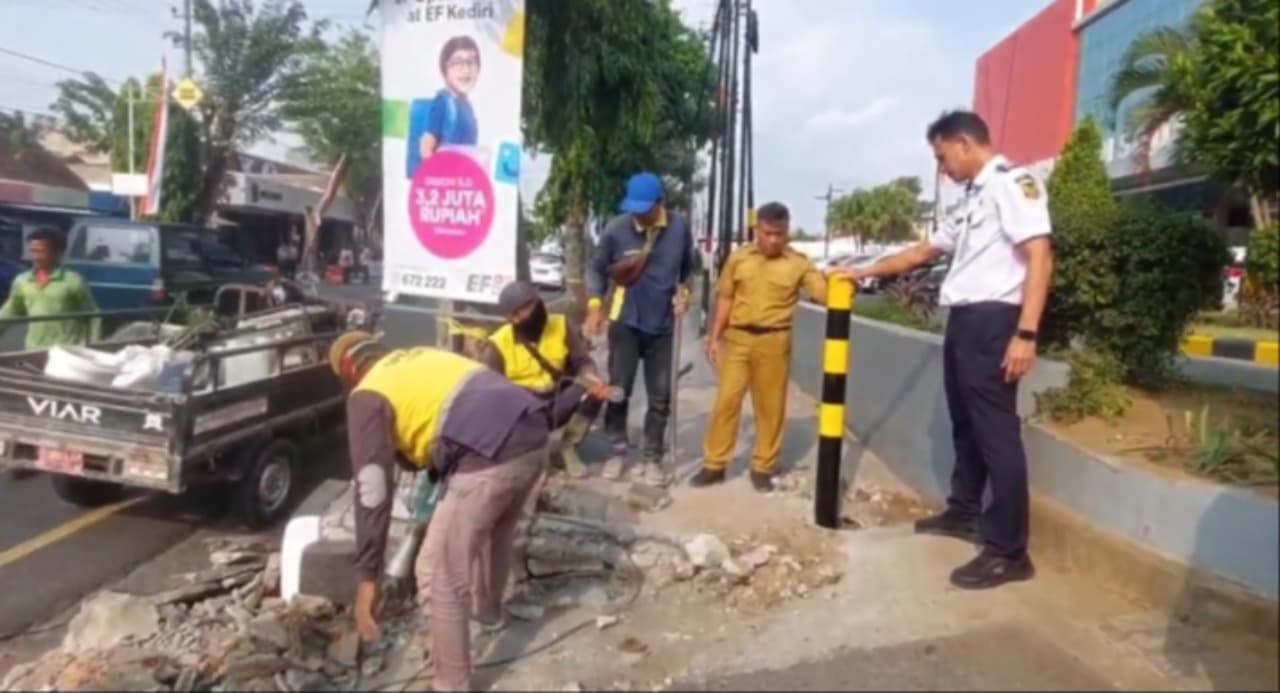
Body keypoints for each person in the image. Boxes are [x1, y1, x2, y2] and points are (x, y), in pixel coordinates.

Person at [829, 110, 1054, 590]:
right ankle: (965, 511)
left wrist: (1026, 334)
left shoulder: (1015, 184)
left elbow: (1040, 255)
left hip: (996, 321)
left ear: (964, 143)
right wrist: (862, 271)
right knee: (966, 424)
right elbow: (925, 251)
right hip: (966, 322)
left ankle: (1009, 551)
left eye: (942, 156)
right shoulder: (973, 197)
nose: (941, 167)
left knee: (996, 433)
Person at [331, 332, 583, 692]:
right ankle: (488, 613)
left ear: (349, 372)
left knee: (437, 570)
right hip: (534, 436)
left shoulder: (367, 394)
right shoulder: (419, 355)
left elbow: (371, 489)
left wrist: (367, 578)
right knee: (494, 533)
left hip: (489, 455)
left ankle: (452, 684)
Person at [691, 202, 827, 492]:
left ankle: (763, 466)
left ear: (787, 232)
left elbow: (823, 293)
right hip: (737, 339)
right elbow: (725, 299)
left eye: (779, 234)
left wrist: (838, 284)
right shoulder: (739, 259)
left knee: (770, 406)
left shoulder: (799, 264)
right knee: (726, 401)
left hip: (774, 341)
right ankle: (714, 464)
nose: (774, 240)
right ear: (757, 230)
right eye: (768, 233)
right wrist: (714, 337)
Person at [585, 172, 694, 486]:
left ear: (660, 204)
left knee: (660, 397)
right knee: (619, 391)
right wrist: (595, 305)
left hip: (662, 326)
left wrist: (684, 294)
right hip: (625, 323)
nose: (637, 215)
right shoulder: (617, 230)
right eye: (633, 208)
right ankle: (617, 451)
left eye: (644, 209)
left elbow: (687, 270)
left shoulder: (678, 229)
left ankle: (652, 458)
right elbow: (596, 267)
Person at [478, 281, 612, 477]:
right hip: (524, 408)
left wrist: (590, 377)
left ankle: (567, 447)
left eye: (532, 304)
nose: (531, 312)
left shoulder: (560, 324)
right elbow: (490, 393)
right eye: (522, 310)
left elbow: (582, 361)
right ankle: (522, 450)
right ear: (512, 317)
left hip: (558, 397)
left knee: (597, 390)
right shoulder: (498, 344)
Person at [0, 227, 100, 350]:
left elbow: (93, 315)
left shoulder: (73, 281)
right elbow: (10, 311)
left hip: (67, 349)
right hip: (33, 348)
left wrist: (95, 345)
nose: (35, 257)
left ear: (58, 252)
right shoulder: (22, 281)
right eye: (32, 251)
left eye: (41, 251)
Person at [408, 35, 482, 175]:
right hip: (446, 184)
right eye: (457, 63)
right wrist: (442, 178)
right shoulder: (442, 102)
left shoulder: (466, 106)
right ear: (444, 70)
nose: (465, 70)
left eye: (471, 62)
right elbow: (426, 149)